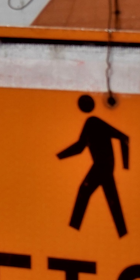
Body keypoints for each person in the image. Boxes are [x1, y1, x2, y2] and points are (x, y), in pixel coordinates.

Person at [57, 95, 130, 237]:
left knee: (84, 191)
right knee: (111, 198)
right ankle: (123, 232)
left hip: (103, 165)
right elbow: (80, 147)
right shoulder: (89, 123)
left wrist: (125, 166)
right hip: (102, 165)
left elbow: (124, 138)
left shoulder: (94, 122)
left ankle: (73, 230)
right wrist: (58, 156)